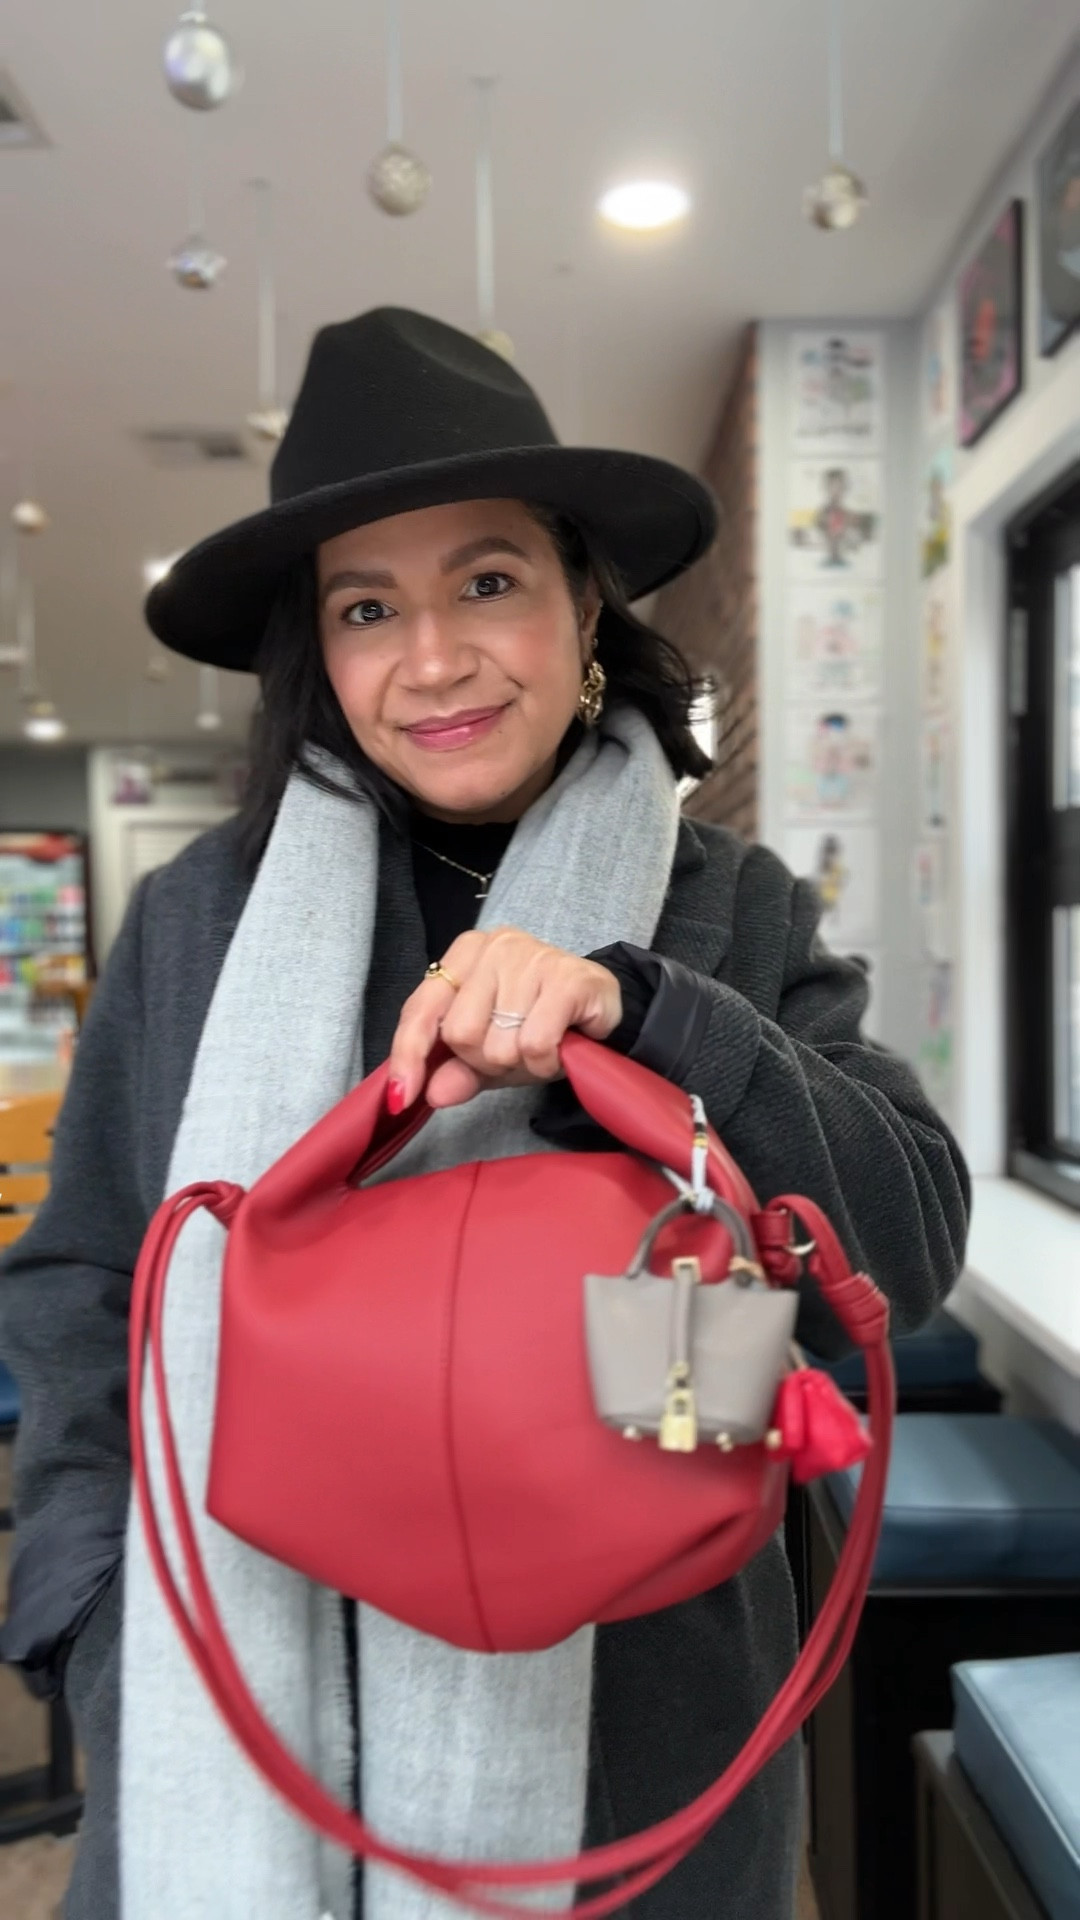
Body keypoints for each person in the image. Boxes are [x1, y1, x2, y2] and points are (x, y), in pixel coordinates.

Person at [0, 307, 970, 1920]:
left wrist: (654, 1016)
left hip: (638, 1728)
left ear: (586, 598)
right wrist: (90, 1602)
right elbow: (85, 1278)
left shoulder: (720, 908)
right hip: (228, 1692)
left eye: (490, 580)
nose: (433, 656)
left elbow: (904, 1250)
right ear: (320, 652)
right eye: (368, 605)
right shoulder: (199, 921)